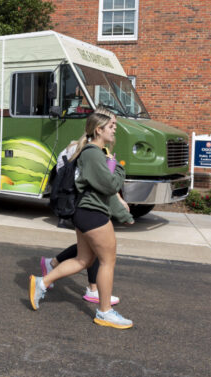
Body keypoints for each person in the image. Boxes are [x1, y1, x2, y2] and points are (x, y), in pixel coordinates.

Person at [29, 110, 134, 329]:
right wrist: (119, 167)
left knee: (83, 260)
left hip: (86, 212)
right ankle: (105, 312)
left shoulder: (95, 153)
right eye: (111, 126)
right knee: (107, 261)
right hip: (92, 213)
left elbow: (103, 189)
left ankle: (42, 282)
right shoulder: (93, 154)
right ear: (99, 129)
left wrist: (123, 214)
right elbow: (110, 186)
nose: (115, 129)